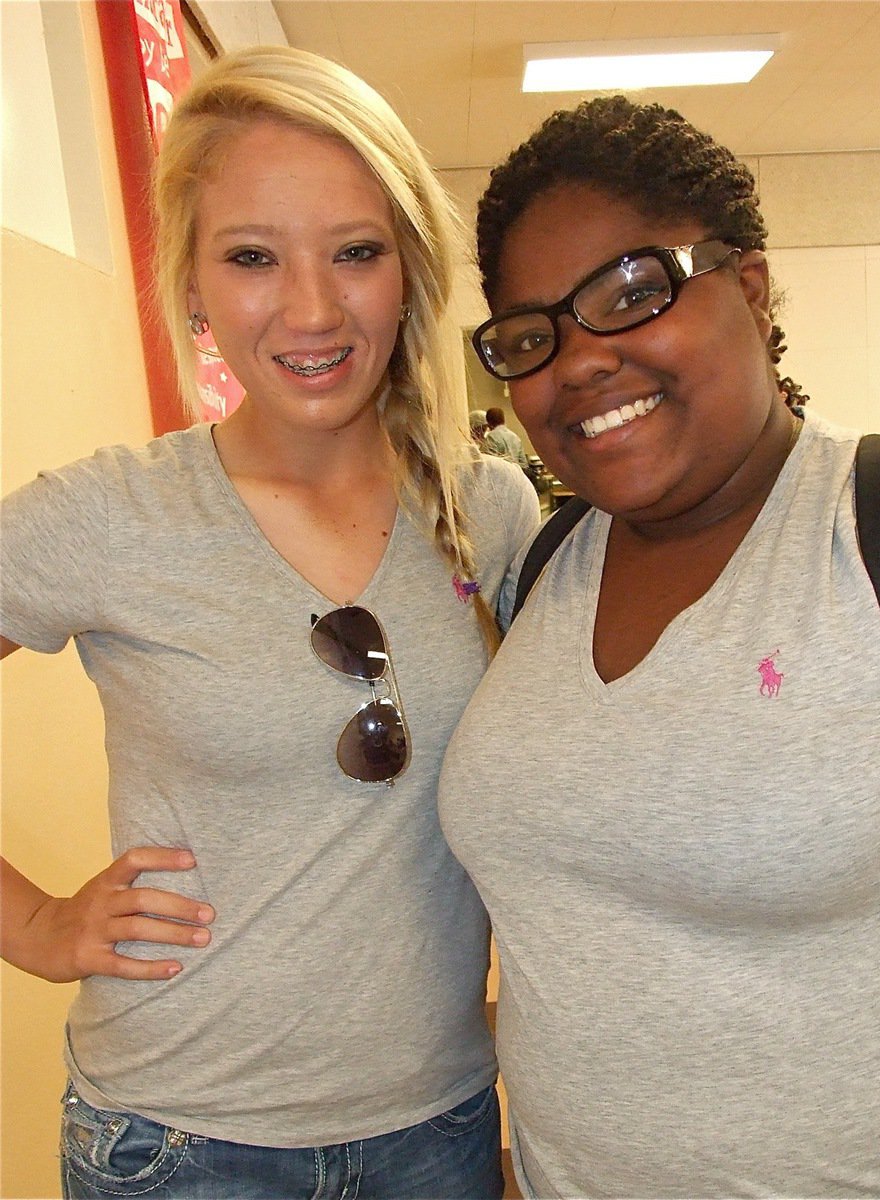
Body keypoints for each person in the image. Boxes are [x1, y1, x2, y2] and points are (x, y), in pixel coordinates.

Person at [0, 46, 538, 1200]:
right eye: (252, 257)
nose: (311, 308)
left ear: (410, 272)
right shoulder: (108, 515)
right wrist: (35, 922)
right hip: (179, 1143)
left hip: (436, 1127)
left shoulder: (486, 509)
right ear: (191, 282)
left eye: (355, 252)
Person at [439, 96, 880, 1198]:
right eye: (533, 334)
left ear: (751, 289)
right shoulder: (544, 565)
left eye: (632, 292)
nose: (577, 362)